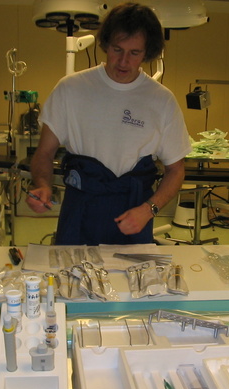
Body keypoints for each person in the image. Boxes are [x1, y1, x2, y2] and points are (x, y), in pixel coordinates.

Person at [26, 2, 191, 245]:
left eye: (134, 53)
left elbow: (176, 170)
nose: (123, 61)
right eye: (117, 49)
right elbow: (44, 152)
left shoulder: (161, 100)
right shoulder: (71, 89)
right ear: (105, 44)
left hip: (134, 214)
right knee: (71, 279)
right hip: (80, 209)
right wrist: (41, 184)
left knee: (134, 282)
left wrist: (149, 209)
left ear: (147, 52)